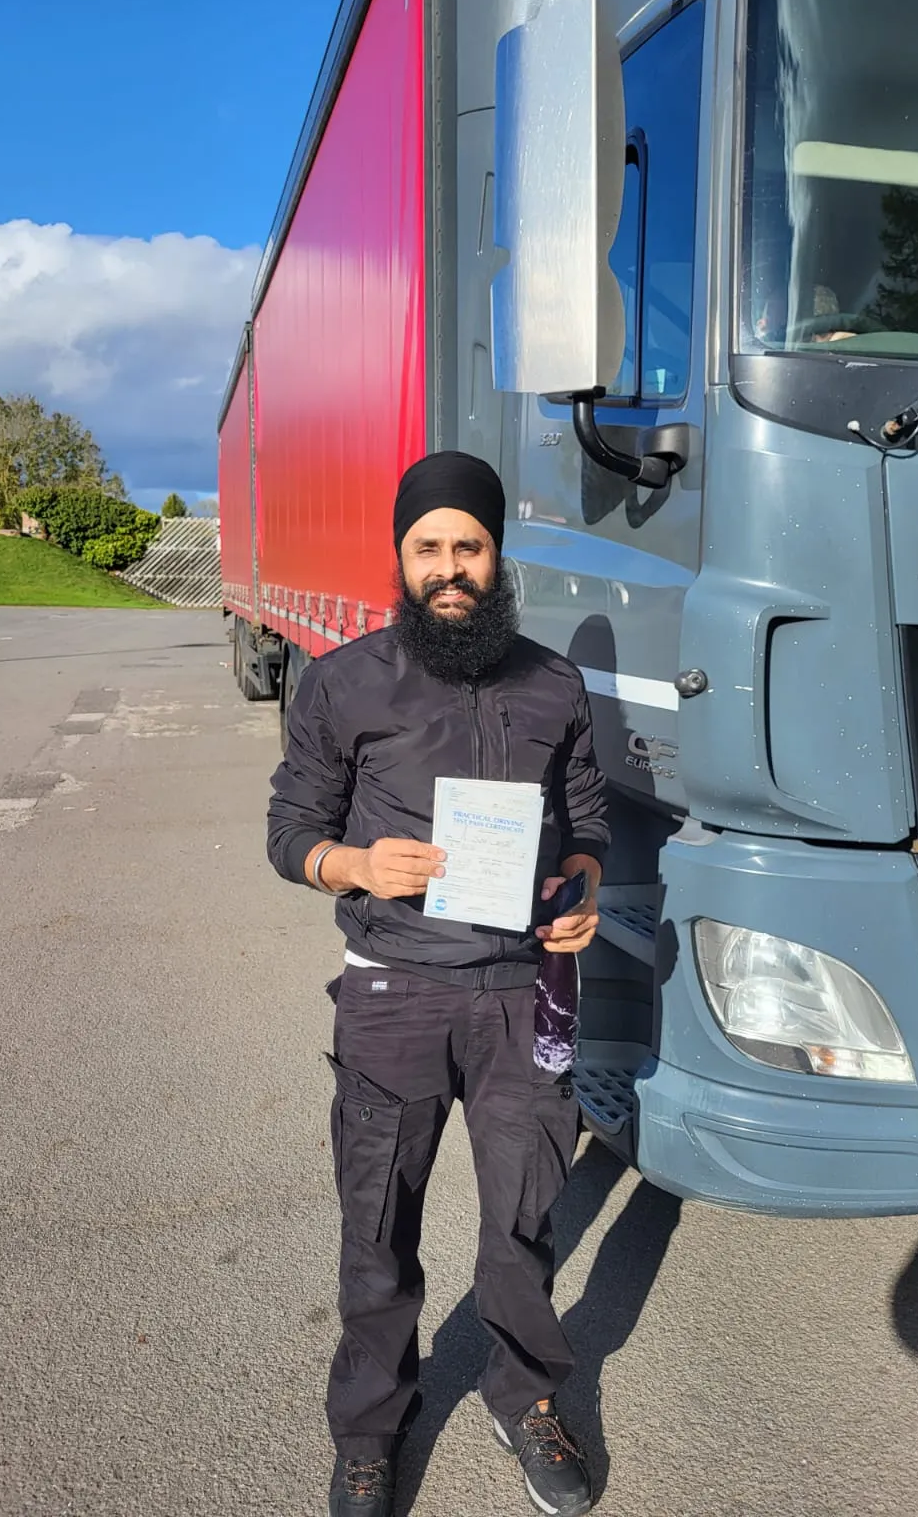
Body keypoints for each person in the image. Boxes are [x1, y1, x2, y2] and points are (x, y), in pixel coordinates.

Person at [267, 451, 609, 1517]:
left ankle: (525, 1396)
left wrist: (582, 888)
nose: (450, 567)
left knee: (524, 1216)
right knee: (378, 1228)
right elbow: (290, 830)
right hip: (393, 992)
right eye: (430, 547)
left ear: (498, 556)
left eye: (471, 545)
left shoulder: (554, 684)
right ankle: (371, 1432)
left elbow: (587, 821)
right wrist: (355, 865)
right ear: (401, 556)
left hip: (521, 991)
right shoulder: (345, 682)